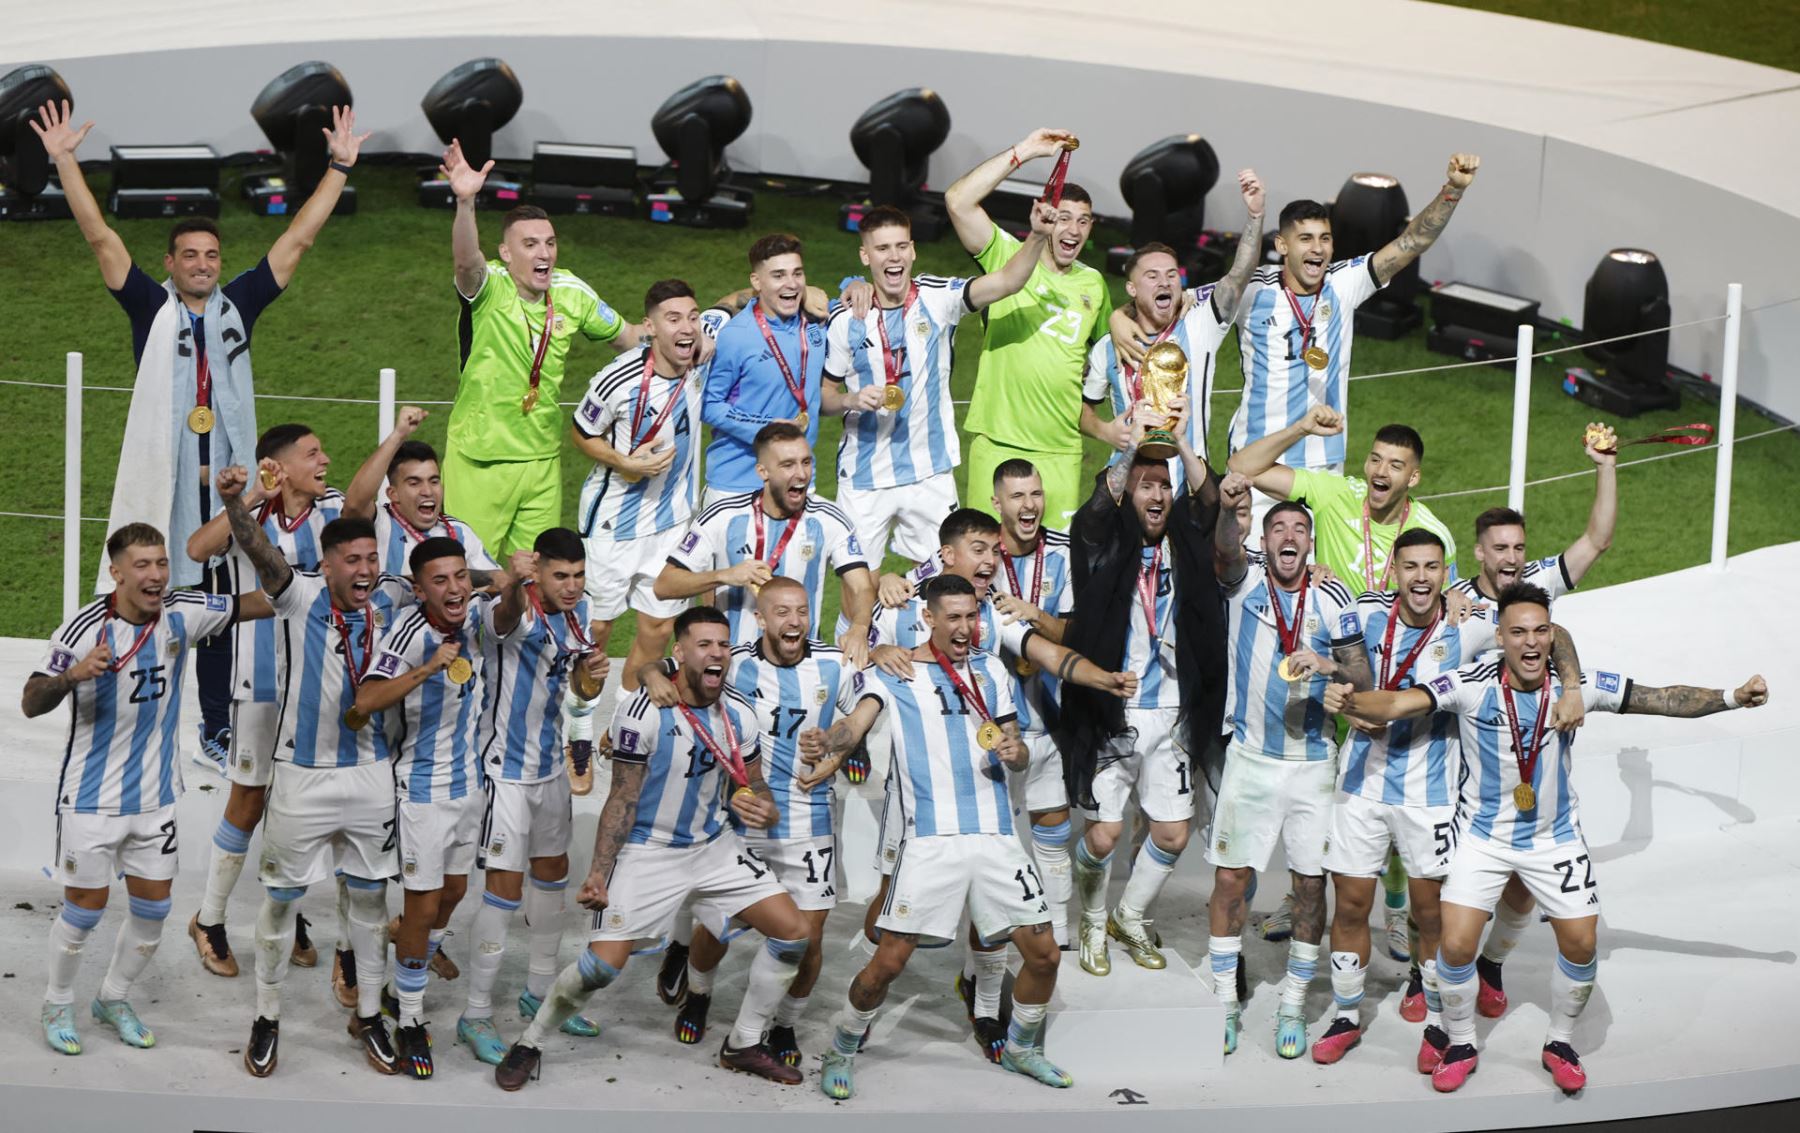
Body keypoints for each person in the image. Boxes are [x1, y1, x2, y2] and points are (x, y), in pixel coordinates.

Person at [1327, 584, 1768, 1094]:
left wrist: (1733, 697)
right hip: (1482, 839)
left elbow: (1662, 698)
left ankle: (1559, 1041)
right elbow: (1404, 701)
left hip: (1554, 838)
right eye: (1518, 632)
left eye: (1540, 631)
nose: (1531, 643)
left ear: (1552, 635)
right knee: (1454, 943)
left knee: (1582, 942)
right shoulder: (1470, 683)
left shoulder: (1574, 687)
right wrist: (1353, 699)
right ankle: (1462, 1040)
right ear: (1500, 638)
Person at [33, 99, 364, 771]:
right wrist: (66, 160)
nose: (203, 264)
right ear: (172, 261)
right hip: (173, 482)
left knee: (221, 610)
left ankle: (216, 729)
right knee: (159, 597)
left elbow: (296, 241)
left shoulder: (240, 303)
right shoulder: (149, 307)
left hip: (235, 488)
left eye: (212, 254)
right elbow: (101, 240)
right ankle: (138, 723)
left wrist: (337, 168)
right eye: (190, 255)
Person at [494, 607, 813, 1089]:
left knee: (793, 933)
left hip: (714, 847)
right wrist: (600, 872)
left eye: (723, 645)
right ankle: (531, 1042)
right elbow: (621, 798)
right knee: (599, 969)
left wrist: (762, 807)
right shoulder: (643, 713)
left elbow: (756, 783)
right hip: (649, 852)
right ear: (679, 653)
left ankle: (744, 1043)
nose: (717, 655)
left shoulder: (739, 712)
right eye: (704, 645)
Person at [862, 508, 1135, 1062]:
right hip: (919, 794)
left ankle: (984, 1002)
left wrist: (1101, 677)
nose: (992, 560)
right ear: (948, 555)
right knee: (887, 920)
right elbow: (852, 652)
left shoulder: (990, 612)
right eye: (980, 550)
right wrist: (875, 649)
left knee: (993, 912)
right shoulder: (900, 604)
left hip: (984, 783)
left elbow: (1048, 654)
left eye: (994, 550)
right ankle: (870, 997)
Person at [1307, 529, 1578, 1068]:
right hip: (1359, 786)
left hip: (1430, 795)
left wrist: (1570, 685)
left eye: (1433, 566)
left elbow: (1555, 631)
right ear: (1395, 569)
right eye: (1411, 566)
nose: (1423, 577)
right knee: (1352, 903)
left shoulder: (1472, 618)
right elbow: (1325, 664)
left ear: (1445, 570)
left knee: (1433, 917)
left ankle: (1438, 1023)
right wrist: (1333, 691)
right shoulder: (1364, 609)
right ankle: (1345, 1015)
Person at [21, 523, 271, 1055]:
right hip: (91, 800)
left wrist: (251, 524)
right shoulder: (84, 629)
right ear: (116, 573)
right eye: (143, 565)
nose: (156, 575)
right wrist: (73, 677)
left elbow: (266, 600)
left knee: (154, 912)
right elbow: (31, 700)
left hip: (156, 799)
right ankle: (57, 1000)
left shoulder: (182, 612)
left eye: (161, 563)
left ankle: (113, 997)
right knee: (84, 911)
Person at [216, 472, 416, 1078]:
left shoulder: (393, 598)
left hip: (371, 776)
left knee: (371, 899)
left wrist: (514, 578)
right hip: (301, 776)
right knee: (281, 899)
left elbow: (456, 585)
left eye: (372, 558)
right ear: (327, 565)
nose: (365, 569)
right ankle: (267, 1015)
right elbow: (258, 551)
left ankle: (372, 1016)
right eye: (352, 559)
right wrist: (232, 502)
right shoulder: (298, 595)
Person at [644, 578, 865, 1068]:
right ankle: (699, 993)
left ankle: (782, 1023)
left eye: (802, 611)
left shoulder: (833, 661)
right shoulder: (736, 660)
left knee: (808, 940)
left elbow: (869, 701)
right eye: (782, 612)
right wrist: (649, 670)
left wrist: (837, 741)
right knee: (716, 929)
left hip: (810, 821)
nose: (794, 622)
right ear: (761, 619)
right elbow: (674, 663)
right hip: (743, 819)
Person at [1448, 426, 1619, 1017]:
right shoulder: (1452, 603)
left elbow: (1596, 540)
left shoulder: (1535, 589)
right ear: (1479, 553)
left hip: (1519, 767)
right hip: (1453, 765)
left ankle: (1491, 963)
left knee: (1521, 882)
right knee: (1438, 891)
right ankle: (1434, 978)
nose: (1512, 558)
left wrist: (1604, 466)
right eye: (1500, 548)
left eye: (1519, 547)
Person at [1060, 402, 1234, 979]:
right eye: (1144, 485)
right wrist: (1133, 446)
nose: (1157, 495)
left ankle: (1128, 915)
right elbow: (1093, 508)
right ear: (1125, 490)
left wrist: (1179, 442)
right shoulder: (1102, 538)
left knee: (1172, 830)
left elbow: (1210, 501)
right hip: (1113, 708)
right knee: (1106, 835)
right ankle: (1090, 916)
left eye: (1164, 485)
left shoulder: (1185, 536)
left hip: (1174, 713)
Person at [1205, 500, 1371, 1060]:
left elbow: (1362, 675)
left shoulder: (1334, 595)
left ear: (1311, 544)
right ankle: (1225, 1002)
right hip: (1251, 759)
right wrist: (1230, 509)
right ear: (1266, 539)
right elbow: (1226, 547)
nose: (1289, 535)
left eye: (1300, 528)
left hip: (1314, 762)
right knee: (1231, 881)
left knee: (1308, 886)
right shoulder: (1242, 578)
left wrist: (1327, 666)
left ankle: (1294, 1004)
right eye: (1278, 527)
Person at [184, 424, 347, 988]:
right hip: (257, 683)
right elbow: (196, 550)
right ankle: (209, 919)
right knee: (248, 799)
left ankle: (289, 913)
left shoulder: (334, 511)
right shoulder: (253, 516)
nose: (325, 458)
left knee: (296, 802)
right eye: (312, 453)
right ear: (277, 465)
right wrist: (252, 494)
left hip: (316, 684)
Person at [439, 142, 643, 556]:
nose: (544, 253)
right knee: (470, 578)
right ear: (505, 253)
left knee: (536, 583)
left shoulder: (571, 291)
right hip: (480, 462)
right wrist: (465, 203)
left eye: (549, 243)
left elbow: (630, 340)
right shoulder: (489, 286)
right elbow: (465, 262)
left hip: (542, 464)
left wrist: (691, 328)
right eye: (530, 244)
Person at [822, 200, 1052, 563]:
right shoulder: (845, 318)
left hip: (930, 472)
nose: (893, 257)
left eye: (901, 246)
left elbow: (1008, 281)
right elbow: (823, 398)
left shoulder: (937, 297)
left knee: (947, 580)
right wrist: (851, 401)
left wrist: (1037, 235)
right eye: (882, 248)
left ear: (913, 250)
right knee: (858, 590)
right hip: (864, 475)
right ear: (865, 256)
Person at [456, 531, 610, 1065]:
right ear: (538, 572)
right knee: (502, 889)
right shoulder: (510, 606)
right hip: (504, 774)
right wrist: (515, 583)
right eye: (560, 576)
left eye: (578, 575)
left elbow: (578, 691)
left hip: (550, 771)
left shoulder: (581, 611)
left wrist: (590, 683)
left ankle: (540, 992)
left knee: (552, 877)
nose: (571, 587)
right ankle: (475, 1013)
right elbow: (503, 622)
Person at [1228, 154, 1481, 480]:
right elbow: (1185, 304)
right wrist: (1136, 316)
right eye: (1305, 239)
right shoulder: (1252, 291)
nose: (1317, 249)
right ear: (1283, 244)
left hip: (1324, 463)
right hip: (1257, 458)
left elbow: (1412, 241)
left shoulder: (1344, 282)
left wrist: (1453, 190)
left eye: (1325, 238)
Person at [347, 537, 493, 1078]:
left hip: (468, 786)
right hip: (423, 790)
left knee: (454, 893)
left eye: (460, 577)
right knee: (424, 904)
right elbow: (364, 702)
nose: (454, 588)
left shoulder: (474, 616)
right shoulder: (407, 634)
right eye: (440, 580)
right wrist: (430, 669)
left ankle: (394, 986)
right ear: (418, 588)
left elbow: (504, 590)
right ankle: (409, 1018)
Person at [562, 279, 709, 791]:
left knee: (654, 631)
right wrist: (623, 461)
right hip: (612, 528)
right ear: (650, 327)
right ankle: (578, 731)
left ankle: (621, 726)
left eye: (691, 316)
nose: (686, 326)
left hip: (671, 527)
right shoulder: (617, 380)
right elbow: (582, 433)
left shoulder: (699, 351)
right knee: (596, 634)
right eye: (673, 318)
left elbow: (740, 303)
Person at [944, 128, 1113, 525]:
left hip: (1060, 450)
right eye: (1064, 218)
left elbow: (1106, 348)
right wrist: (1025, 152)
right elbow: (957, 200)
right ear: (1046, 217)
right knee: (985, 559)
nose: (1073, 230)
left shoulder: (1094, 285)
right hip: (998, 442)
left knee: (1052, 572)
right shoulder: (1006, 254)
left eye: (1083, 221)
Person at [1085, 169, 1267, 486]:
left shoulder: (1200, 326)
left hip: (1190, 484)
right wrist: (1105, 430)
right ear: (1131, 289)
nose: (1165, 281)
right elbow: (1081, 408)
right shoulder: (1108, 346)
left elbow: (1240, 275)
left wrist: (1255, 215)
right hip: (1127, 483)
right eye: (1152, 276)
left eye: (1171, 274)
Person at [657, 423, 874, 664]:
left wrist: (859, 626)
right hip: (733, 666)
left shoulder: (829, 519)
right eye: (788, 465)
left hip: (801, 663)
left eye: (806, 462)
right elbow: (665, 585)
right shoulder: (723, 515)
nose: (801, 474)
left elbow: (862, 587)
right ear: (763, 471)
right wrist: (725, 576)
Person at [1230, 405, 1457, 584]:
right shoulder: (1335, 493)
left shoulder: (1433, 534)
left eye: (1395, 466)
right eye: (1375, 460)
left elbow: (1448, 605)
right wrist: (1300, 429)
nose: (1381, 471)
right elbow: (1243, 466)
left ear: (1413, 478)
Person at [702, 234, 832, 502]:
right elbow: (708, 404)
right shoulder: (736, 335)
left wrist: (855, 285)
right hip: (737, 484)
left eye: (797, 273)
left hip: (799, 481)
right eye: (778, 275)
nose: (791, 284)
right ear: (756, 281)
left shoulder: (817, 324)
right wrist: (765, 428)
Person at [345, 407, 500, 578]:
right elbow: (354, 505)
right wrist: (398, 436)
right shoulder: (381, 524)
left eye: (434, 481)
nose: (427, 491)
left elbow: (496, 581)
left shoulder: (459, 532)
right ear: (393, 494)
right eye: (414, 483)